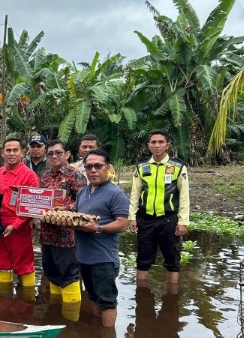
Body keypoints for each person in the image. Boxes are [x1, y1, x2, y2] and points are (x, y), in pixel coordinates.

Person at [73, 149, 129, 327]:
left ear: (108, 168)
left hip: (103, 258)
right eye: (89, 166)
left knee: (107, 301)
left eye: (98, 166)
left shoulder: (115, 193)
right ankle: (97, 337)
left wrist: (97, 228)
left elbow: (122, 223)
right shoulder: (83, 192)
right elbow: (75, 215)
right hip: (84, 257)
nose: (93, 170)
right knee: (92, 297)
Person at [128, 129, 190, 284]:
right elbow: (135, 193)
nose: (157, 145)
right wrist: (132, 217)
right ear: (148, 146)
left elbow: (184, 195)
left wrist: (183, 221)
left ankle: (172, 296)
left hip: (169, 219)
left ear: (167, 145)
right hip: (145, 219)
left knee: (172, 260)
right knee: (143, 259)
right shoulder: (142, 167)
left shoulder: (177, 166)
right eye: (153, 142)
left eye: (161, 142)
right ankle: (141, 296)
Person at [39, 139, 87, 313]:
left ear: (67, 154)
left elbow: (84, 203)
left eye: (58, 152)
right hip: (47, 235)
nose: (53, 156)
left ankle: (71, 319)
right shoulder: (44, 177)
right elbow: (38, 202)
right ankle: (56, 314)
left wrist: (65, 208)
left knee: (69, 274)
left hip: (67, 236)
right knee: (50, 271)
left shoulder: (76, 176)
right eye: (50, 153)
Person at [0, 138, 40, 287]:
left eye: (15, 150)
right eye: (8, 150)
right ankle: (3, 305)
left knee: (24, 264)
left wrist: (15, 225)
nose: (12, 153)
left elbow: (32, 207)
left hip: (19, 226)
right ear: (3, 153)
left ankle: (27, 304)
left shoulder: (30, 176)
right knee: (0, 262)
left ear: (22, 153)